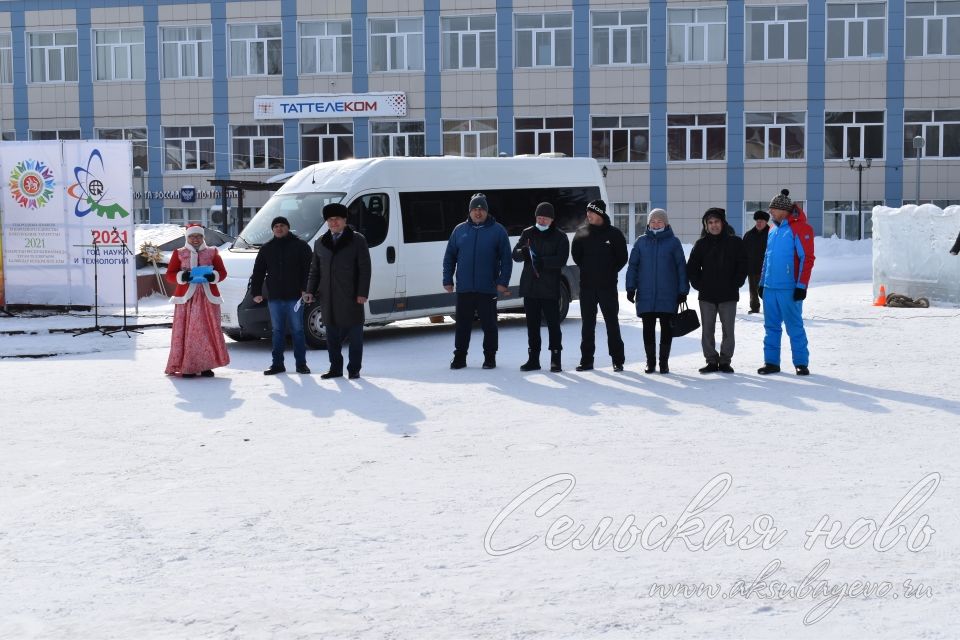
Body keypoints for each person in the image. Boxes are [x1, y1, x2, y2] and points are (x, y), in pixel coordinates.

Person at [442, 193, 512, 370]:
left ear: (486, 211)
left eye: (481, 209)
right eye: (475, 209)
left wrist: (503, 281)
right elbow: (449, 256)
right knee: (462, 326)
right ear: (470, 211)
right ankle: (459, 357)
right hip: (465, 289)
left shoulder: (498, 231)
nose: (478, 212)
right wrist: (447, 279)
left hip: (487, 289)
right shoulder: (459, 230)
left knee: (489, 326)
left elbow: (506, 259)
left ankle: (490, 358)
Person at [304, 203, 372, 379]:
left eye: (337, 219)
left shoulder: (357, 240)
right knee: (332, 336)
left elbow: (365, 269)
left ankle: (354, 368)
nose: (334, 223)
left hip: (352, 296)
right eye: (330, 219)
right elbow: (315, 270)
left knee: (355, 336)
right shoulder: (320, 242)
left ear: (344, 220)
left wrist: (362, 293)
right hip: (328, 297)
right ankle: (335, 368)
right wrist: (310, 291)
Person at [758, 189, 816, 376]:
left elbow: (807, 258)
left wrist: (801, 286)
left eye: (773, 209)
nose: (770, 213)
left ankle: (801, 363)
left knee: (794, 327)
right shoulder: (773, 231)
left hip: (789, 288)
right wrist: (761, 283)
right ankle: (771, 362)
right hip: (770, 288)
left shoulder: (801, 229)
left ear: (783, 210)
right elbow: (767, 259)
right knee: (771, 327)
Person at [625, 208, 689, 374]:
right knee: (648, 328)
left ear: (666, 223)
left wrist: (683, 290)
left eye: (659, 221)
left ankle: (664, 362)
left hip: (668, 293)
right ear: (648, 223)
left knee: (666, 328)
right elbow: (633, 266)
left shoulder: (673, 242)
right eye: (653, 221)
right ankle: (650, 362)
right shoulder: (640, 242)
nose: (656, 223)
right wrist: (630, 287)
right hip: (646, 293)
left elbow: (681, 267)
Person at [686, 208, 748, 374]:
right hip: (707, 296)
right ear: (706, 226)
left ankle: (725, 361)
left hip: (728, 295)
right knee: (707, 330)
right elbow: (691, 267)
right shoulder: (701, 244)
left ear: (723, 223)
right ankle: (711, 361)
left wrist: (737, 282)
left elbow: (743, 264)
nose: (714, 226)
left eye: (716, 222)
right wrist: (699, 284)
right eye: (710, 223)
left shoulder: (735, 242)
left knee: (729, 330)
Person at [164, 224, 230, 378]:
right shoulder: (179, 253)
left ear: (203, 237)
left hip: (208, 298)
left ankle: (206, 365)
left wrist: (213, 276)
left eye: (199, 236)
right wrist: (182, 276)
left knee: (206, 331)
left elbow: (222, 272)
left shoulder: (212, 252)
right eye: (192, 236)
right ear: (187, 238)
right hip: (187, 299)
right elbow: (170, 275)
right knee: (188, 332)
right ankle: (188, 366)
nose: (195, 239)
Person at [251, 216, 313, 375]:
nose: (279, 228)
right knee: (277, 331)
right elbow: (258, 272)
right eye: (276, 226)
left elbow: (309, 270)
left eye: (282, 225)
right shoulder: (267, 248)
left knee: (297, 330)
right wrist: (256, 292)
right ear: (272, 229)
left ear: (288, 227)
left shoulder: (301, 246)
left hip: (295, 297)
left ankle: (301, 364)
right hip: (275, 297)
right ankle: (277, 364)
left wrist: (306, 289)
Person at [512, 202, 570, 372]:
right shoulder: (528, 233)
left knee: (553, 325)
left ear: (552, 219)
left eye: (545, 218)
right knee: (532, 326)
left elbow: (561, 260)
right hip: (530, 288)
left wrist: (543, 261)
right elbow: (514, 255)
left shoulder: (560, 237)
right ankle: (533, 358)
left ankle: (555, 359)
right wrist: (522, 252)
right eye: (539, 218)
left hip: (550, 288)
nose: (542, 221)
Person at [571, 199, 628, 371]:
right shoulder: (581, 233)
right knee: (587, 325)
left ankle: (617, 360)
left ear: (601, 214)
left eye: (592, 212)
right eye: (587, 212)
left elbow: (622, 258)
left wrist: (609, 272)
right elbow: (576, 256)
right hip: (587, 287)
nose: (588, 215)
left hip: (607, 287)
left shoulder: (614, 234)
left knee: (612, 324)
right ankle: (586, 360)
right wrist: (589, 270)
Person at [743, 210, 770, 314]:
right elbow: (743, 251)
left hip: (767, 269)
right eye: (757, 221)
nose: (759, 223)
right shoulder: (749, 235)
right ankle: (754, 308)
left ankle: (770, 309)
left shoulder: (771, 233)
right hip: (752, 268)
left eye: (761, 221)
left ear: (766, 222)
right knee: (753, 290)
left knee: (766, 291)